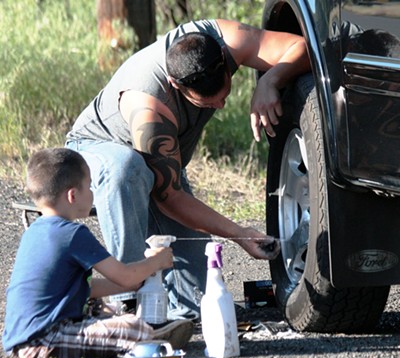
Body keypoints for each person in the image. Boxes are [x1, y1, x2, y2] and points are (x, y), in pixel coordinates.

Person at [65, 19, 310, 320]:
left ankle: (165, 307)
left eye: (224, 92)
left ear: (222, 57)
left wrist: (269, 80)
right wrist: (240, 234)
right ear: (176, 85)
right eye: (208, 102)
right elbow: (169, 197)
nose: (221, 106)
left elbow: (304, 46)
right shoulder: (149, 109)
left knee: (198, 304)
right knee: (127, 168)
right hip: (95, 153)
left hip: (155, 166)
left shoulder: (226, 40)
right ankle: (123, 299)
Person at [2, 148, 193, 358]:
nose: (93, 193)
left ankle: (142, 334)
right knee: (131, 326)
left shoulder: (35, 231)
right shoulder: (72, 234)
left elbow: (84, 289)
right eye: (90, 186)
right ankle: (151, 337)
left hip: (28, 335)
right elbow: (126, 275)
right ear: (72, 195)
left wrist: (132, 286)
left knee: (105, 308)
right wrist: (156, 261)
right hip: (44, 340)